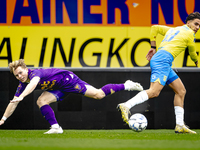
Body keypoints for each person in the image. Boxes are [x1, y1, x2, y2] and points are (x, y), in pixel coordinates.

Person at [0, 59, 143, 134]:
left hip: (68, 80)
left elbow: (34, 84)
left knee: (98, 94)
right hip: (58, 88)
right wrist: (3, 119)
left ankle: (127, 85)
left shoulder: (34, 74)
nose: (20, 76)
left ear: (26, 69)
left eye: (21, 72)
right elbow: (13, 102)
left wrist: (22, 96)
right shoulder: (23, 83)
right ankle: (56, 128)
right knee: (41, 100)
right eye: (17, 75)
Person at [117, 12, 200, 134]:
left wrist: (153, 46)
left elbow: (154, 28)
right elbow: (192, 53)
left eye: (199, 25)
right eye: (196, 24)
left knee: (181, 91)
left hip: (163, 61)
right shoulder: (189, 34)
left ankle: (180, 125)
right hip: (163, 60)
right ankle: (126, 105)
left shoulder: (173, 30)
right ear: (188, 23)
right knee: (154, 92)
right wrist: (196, 61)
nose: (197, 27)